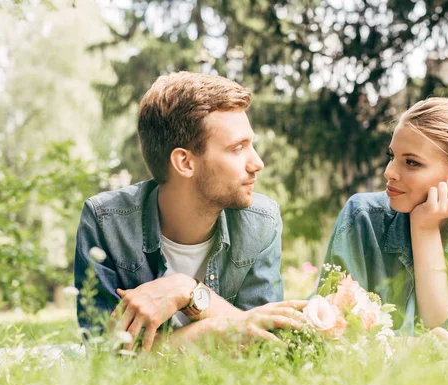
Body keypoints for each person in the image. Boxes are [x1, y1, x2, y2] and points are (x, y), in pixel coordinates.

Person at [74, 71, 306, 352]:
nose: (257, 163)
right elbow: (105, 356)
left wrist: (186, 290)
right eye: (238, 148)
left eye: (251, 145)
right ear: (184, 162)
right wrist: (219, 327)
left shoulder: (261, 221)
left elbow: (266, 344)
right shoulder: (105, 222)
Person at [322, 97, 448, 337]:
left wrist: (424, 228)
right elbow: (332, 331)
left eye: (411, 163)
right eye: (392, 156)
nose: (389, 172)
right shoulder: (362, 217)